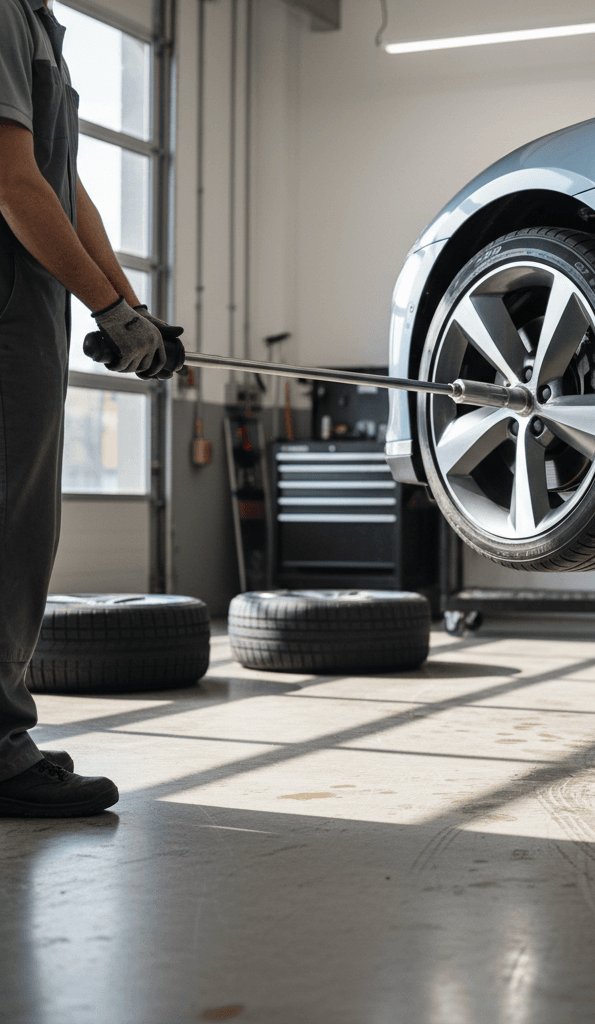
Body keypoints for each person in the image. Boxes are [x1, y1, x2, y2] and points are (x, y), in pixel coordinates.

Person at [0, 0, 184, 816]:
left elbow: (64, 185)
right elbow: (12, 183)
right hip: (6, 306)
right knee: (8, 528)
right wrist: (109, 308)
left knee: (22, 525)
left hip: (32, 306)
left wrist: (126, 308)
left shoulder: (42, 27)